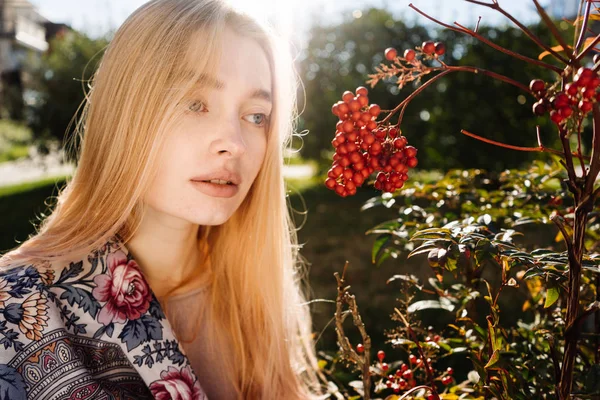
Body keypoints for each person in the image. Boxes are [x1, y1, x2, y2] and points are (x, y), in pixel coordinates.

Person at [0, 0, 325, 398]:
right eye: (195, 103)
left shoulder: (256, 298)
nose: (235, 144)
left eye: (256, 116)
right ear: (126, 112)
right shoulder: (17, 306)